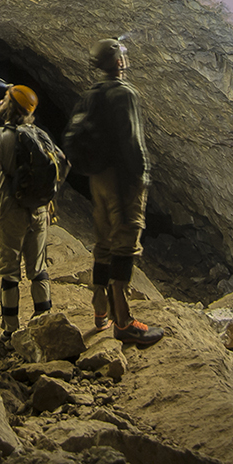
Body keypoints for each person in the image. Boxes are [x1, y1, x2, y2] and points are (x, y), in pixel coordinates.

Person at [80, 38, 165, 347]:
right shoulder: (124, 93)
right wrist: (142, 177)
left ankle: (100, 309)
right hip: (121, 181)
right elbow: (133, 141)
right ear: (118, 62)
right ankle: (125, 321)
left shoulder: (91, 94)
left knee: (103, 242)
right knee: (125, 244)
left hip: (98, 179)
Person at [0, 83, 66, 338]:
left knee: (9, 273)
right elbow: (58, 168)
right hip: (39, 210)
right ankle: (45, 321)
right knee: (38, 268)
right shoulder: (40, 134)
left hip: (10, 210)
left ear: (11, 107)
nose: (0, 102)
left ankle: (10, 332)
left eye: (4, 99)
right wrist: (48, 202)